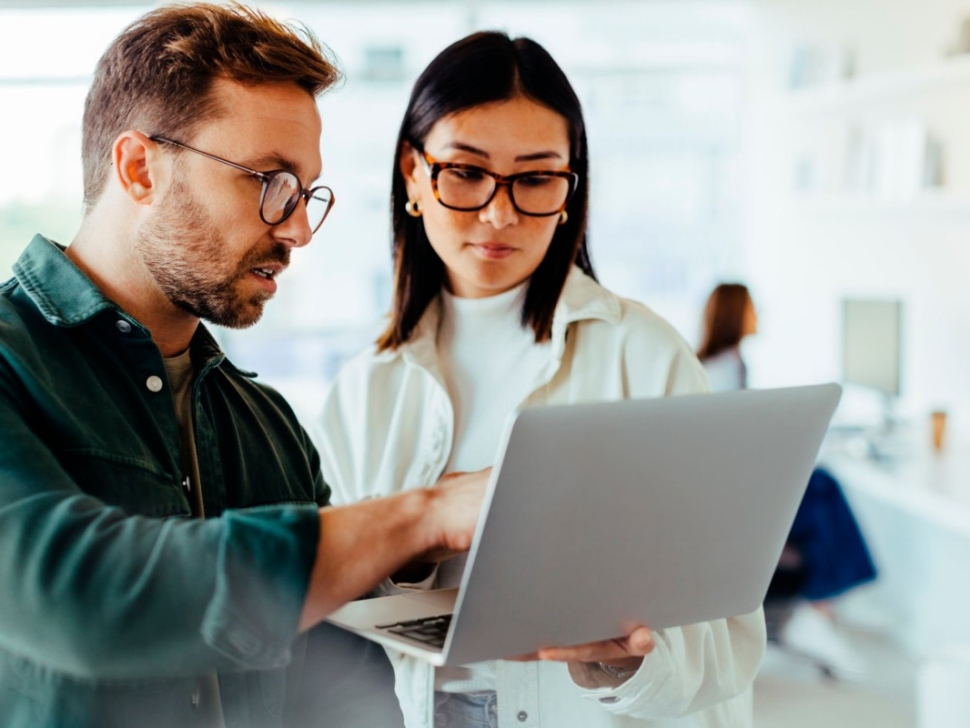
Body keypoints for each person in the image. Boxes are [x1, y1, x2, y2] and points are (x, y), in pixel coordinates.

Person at [0, 5, 496, 727]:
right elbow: (82, 596)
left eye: (304, 193)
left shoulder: (266, 425)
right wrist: (421, 515)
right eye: (268, 180)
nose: (295, 229)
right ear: (140, 168)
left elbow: (342, 687)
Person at [315, 31, 766, 728]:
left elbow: (728, 642)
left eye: (534, 178)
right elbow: (332, 610)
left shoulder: (642, 354)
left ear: (568, 189)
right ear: (412, 173)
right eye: (466, 172)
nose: (500, 213)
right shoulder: (363, 390)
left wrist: (623, 663)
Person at [697, 283, 877, 677]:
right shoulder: (723, 370)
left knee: (821, 486)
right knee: (823, 488)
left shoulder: (726, 364)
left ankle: (820, 608)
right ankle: (820, 607)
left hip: (738, 490)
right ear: (735, 315)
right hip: (734, 499)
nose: (759, 315)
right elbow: (729, 452)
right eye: (752, 309)